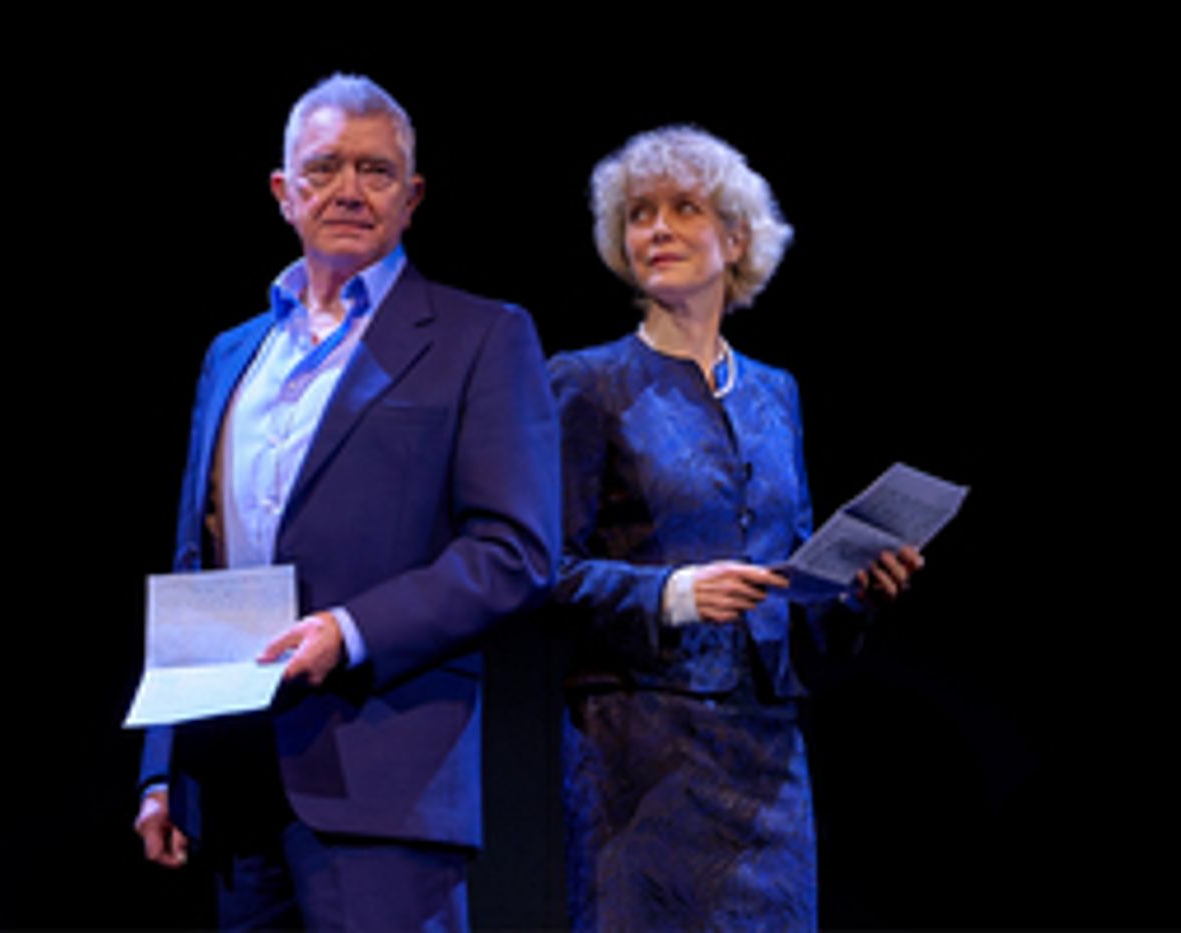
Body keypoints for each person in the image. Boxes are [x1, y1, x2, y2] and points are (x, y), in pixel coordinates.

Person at [133, 73, 560, 931]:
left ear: (413, 195)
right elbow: (198, 561)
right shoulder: (231, 354)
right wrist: (163, 766)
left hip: (386, 783)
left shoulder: (483, 336)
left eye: (376, 170)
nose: (350, 192)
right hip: (236, 775)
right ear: (284, 193)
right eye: (325, 168)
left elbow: (515, 549)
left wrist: (350, 631)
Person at [548, 125, 924, 931]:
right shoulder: (586, 383)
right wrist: (674, 594)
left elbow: (793, 596)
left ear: (736, 236)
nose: (657, 228)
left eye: (684, 208)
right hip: (641, 757)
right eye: (640, 212)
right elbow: (538, 570)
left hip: (766, 754)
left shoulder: (773, 394)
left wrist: (858, 592)